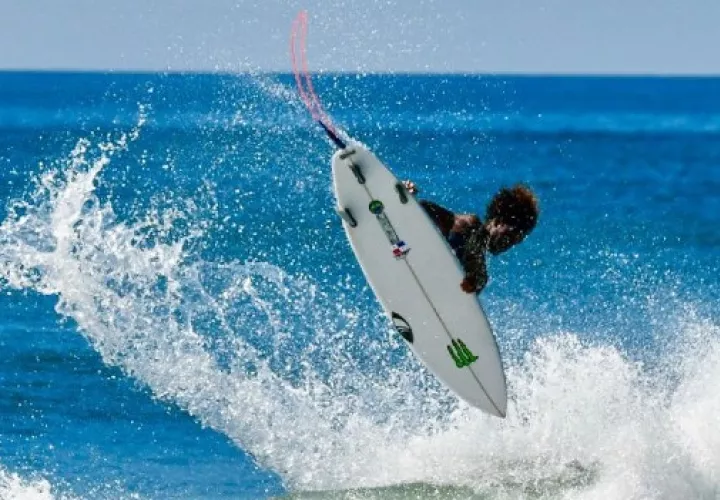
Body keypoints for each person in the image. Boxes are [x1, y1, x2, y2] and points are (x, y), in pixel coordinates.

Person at [403, 180, 539, 294]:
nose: (510, 244)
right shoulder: (466, 225)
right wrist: (408, 197)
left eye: (517, 240)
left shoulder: (480, 275)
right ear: (498, 221)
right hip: (408, 256)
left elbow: (465, 306)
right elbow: (424, 209)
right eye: (511, 235)